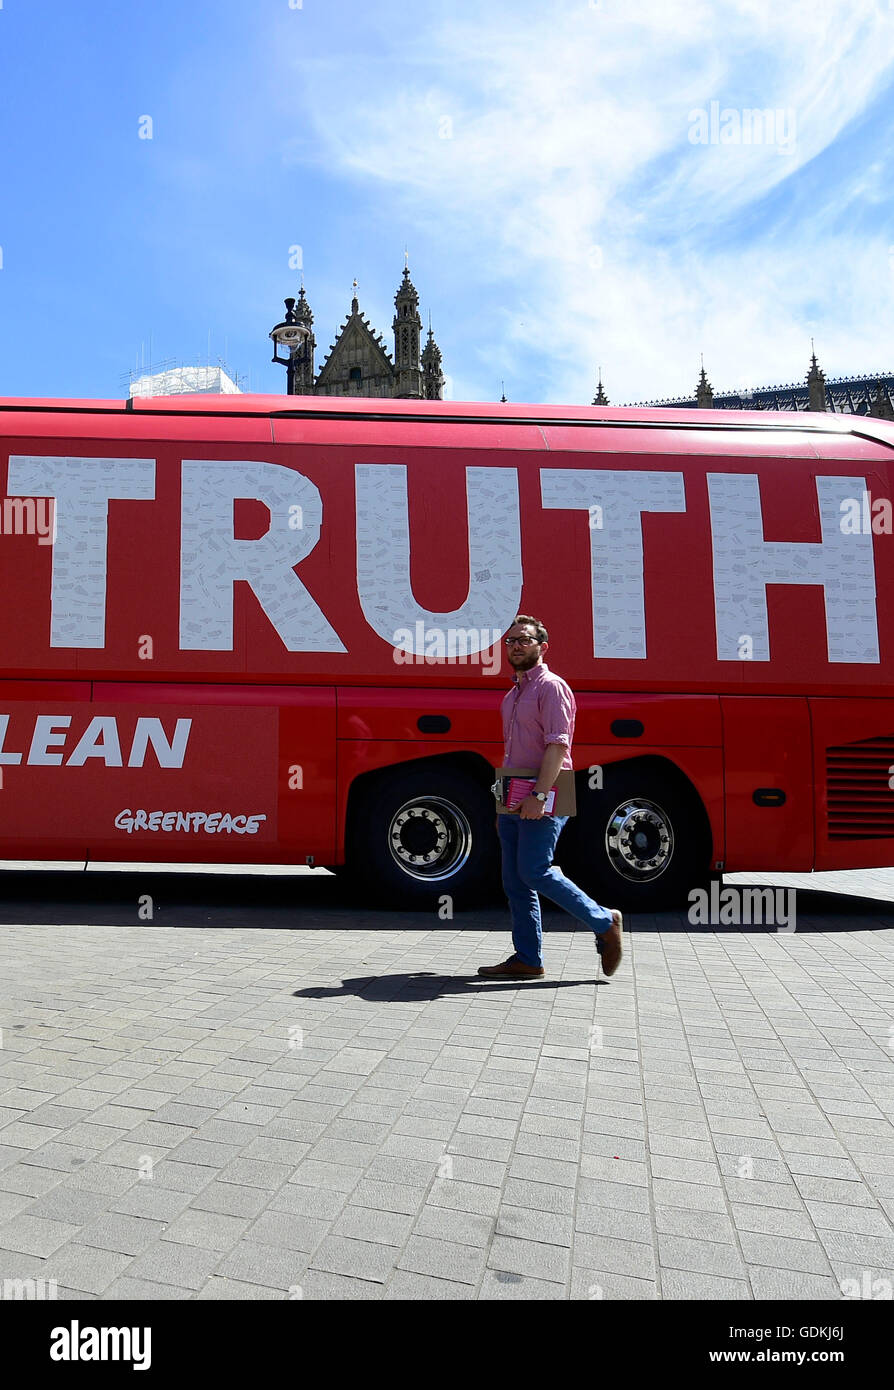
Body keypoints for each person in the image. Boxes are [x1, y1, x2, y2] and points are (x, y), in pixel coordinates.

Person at [478, 615, 623, 980]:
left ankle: (605, 920)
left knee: (535, 871)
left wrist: (539, 795)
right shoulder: (513, 694)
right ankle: (528, 958)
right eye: (511, 641)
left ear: (543, 647)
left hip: (547, 791)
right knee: (514, 881)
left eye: (524, 640)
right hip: (513, 794)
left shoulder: (552, 688)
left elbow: (558, 747)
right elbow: (513, 755)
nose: (515, 646)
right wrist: (504, 804)